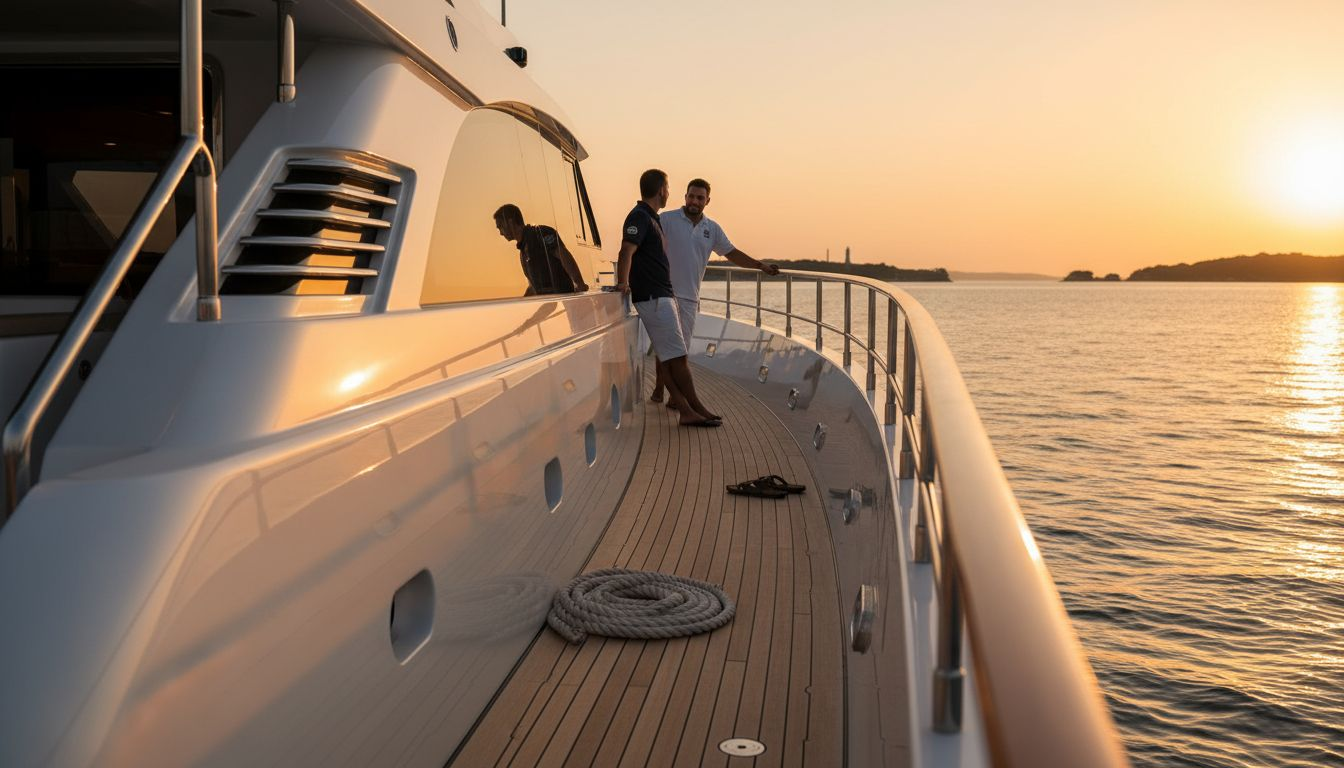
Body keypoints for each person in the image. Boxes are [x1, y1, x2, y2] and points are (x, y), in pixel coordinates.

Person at [650, 177, 778, 403]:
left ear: (707, 200)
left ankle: (673, 396)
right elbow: (646, 246)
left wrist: (760, 265)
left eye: (700, 198)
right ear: (685, 196)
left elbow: (732, 253)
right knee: (664, 346)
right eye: (691, 196)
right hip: (664, 292)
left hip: (690, 297)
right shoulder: (666, 220)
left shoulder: (712, 229)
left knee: (680, 350)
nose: (694, 201)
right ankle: (661, 389)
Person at [615, 169, 720, 427]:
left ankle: (687, 409)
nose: (669, 193)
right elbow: (626, 251)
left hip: (661, 295)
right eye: (668, 188)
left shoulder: (651, 217)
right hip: (654, 297)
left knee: (671, 356)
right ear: (662, 190)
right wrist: (622, 284)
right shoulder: (640, 216)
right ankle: (693, 408)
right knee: (678, 358)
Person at [493, 204, 589, 296]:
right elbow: (533, 289)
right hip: (557, 302)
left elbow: (563, 255)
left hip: (568, 301)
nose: (501, 233)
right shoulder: (523, 251)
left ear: (510, 222)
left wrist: (580, 284)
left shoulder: (540, 233)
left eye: (500, 227)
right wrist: (520, 307)